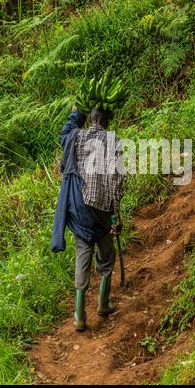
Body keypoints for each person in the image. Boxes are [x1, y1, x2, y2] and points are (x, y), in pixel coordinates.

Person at [51, 105, 124, 331]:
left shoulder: (77, 137)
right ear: (107, 121)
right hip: (102, 211)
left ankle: (79, 316)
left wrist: (76, 113)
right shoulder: (114, 142)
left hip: (80, 209)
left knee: (83, 254)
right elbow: (117, 181)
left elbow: (64, 133)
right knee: (106, 256)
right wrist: (116, 217)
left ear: (90, 119)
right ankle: (103, 304)